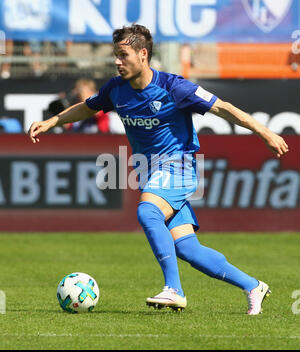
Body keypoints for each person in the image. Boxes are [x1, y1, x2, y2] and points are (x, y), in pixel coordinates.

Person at [28, 25, 289, 315]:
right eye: (115, 55)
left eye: (123, 55)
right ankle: (253, 286)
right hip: (150, 173)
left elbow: (223, 108)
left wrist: (264, 132)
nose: (117, 61)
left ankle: (174, 290)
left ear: (143, 54)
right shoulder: (116, 90)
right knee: (188, 248)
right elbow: (87, 108)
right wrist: (51, 122)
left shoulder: (174, 87)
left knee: (148, 212)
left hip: (179, 167)